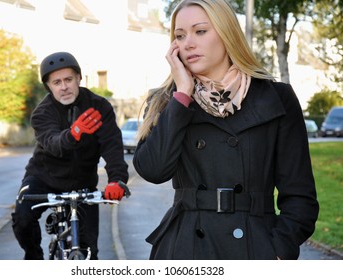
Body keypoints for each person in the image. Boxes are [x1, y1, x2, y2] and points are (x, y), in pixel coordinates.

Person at [133, 0, 319, 260]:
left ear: (227, 33)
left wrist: (278, 252)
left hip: (254, 248)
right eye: (179, 35)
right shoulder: (168, 101)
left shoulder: (275, 98)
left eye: (200, 31)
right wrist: (182, 95)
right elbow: (153, 170)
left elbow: (300, 196)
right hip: (186, 250)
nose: (188, 43)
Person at [12, 52, 129, 260]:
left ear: (79, 79)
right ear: (49, 86)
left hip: (82, 182)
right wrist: (74, 133)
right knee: (22, 218)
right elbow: (52, 143)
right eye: (56, 82)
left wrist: (117, 180)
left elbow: (112, 146)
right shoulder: (42, 113)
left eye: (68, 79)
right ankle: (34, 258)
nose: (64, 86)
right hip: (43, 177)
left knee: (89, 252)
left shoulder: (99, 106)